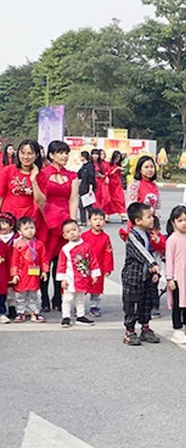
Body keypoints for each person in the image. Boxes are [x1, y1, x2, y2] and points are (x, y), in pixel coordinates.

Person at [34, 140, 79, 312]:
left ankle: (58, 297)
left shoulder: (72, 176)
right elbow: (40, 199)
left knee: (62, 261)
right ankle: (44, 297)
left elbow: (73, 199)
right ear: (51, 155)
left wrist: (72, 222)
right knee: (45, 260)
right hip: (46, 219)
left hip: (64, 221)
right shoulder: (43, 174)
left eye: (66, 152)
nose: (64, 156)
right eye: (60, 152)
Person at [121, 202, 161, 346]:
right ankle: (130, 331)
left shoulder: (147, 234)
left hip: (146, 276)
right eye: (148, 217)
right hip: (133, 277)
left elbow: (151, 251)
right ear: (137, 221)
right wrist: (152, 264)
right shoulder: (132, 236)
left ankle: (145, 328)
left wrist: (154, 271)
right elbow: (141, 252)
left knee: (146, 303)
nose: (152, 219)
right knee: (131, 303)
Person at [56, 219, 100, 328]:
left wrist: (94, 274)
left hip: (83, 277)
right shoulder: (65, 249)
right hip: (70, 278)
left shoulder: (87, 246)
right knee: (67, 298)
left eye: (74, 230)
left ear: (79, 231)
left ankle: (80, 316)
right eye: (68, 231)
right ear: (65, 235)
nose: (72, 233)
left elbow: (93, 261)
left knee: (80, 298)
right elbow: (61, 265)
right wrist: (63, 279)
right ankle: (66, 316)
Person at [165, 206, 186, 345]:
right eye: (180, 220)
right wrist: (169, 277)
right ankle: (177, 329)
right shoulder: (172, 240)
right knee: (179, 303)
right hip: (178, 276)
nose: (184, 223)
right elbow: (169, 259)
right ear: (173, 222)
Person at [10, 217, 48, 324]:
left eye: (32, 227)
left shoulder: (39, 244)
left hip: (34, 273)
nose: (30, 230)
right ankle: (21, 312)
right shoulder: (18, 245)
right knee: (20, 294)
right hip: (22, 273)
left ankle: (34, 312)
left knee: (33, 294)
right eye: (26, 228)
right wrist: (14, 274)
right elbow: (14, 261)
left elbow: (44, 258)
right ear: (20, 231)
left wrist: (44, 271)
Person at [81, 208, 114, 318]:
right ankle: (79, 306)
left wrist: (108, 268)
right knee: (82, 287)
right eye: (95, 219)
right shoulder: (84, 236)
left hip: (99, 267)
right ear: (90, 221)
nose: (98, 222)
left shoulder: (106, 238)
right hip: (85, 266)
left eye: (101, 219)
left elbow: (108, 253)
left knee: (96, 289)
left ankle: (94, 306)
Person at [0, 139, 43, 222]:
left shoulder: (41, 175)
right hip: (8, 219)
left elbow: (40, 201)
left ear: (37, 155)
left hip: (28, 221)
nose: (25, 157)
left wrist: (33, 180)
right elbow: (0, 196)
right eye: (22, 153)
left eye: (30, 153)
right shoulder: (8, 170)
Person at [0, 212, 15, 324]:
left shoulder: (17, 239)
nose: (1, 226)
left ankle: (12, 308)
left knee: (11, 291)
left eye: (4, 223)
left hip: (10, 267)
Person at [104, 150, 126, 222]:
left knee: (119, 198)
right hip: (111, 183)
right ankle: (107, 214)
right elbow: (109, 173)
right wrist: (117, 169)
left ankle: (122, 213)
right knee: (109, 199)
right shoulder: (109, 164)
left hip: (117, 183)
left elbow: (120, 174)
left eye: (119, 158)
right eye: (117, 157)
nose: (118, 159)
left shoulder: (119, 165)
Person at [77, 151, 96, 225]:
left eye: (80, 156)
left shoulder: (90, 166)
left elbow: (91, 178)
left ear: (84, 157)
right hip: (82, 188)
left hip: (87, 188)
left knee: (88, 206)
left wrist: (91, 189)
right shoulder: (83, 166)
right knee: (82, 205)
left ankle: (92, 219)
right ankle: (84, 220)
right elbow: (79, 175)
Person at [91, 149, 107, 213]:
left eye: (97, 154)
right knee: (95, 198)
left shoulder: (101, 164)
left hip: (100, 182)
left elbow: (104, 173)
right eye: (94, 154)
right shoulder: (90, 164)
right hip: (93, 182)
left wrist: (102, 175)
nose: (95, 156)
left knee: (103, 197)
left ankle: (100, 211)